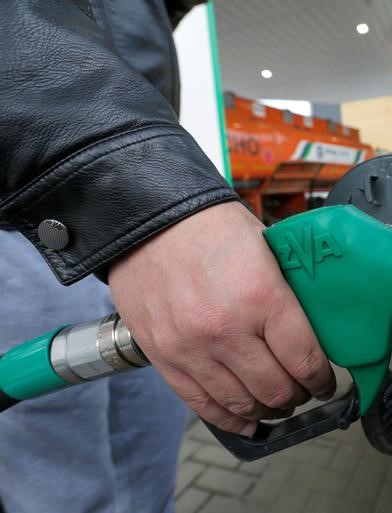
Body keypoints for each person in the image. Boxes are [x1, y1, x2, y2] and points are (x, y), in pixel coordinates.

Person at [0, 1, 336, 511]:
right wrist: (135, 192)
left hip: (121, 226)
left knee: (150, 475)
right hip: (22, 220)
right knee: (63, 487)